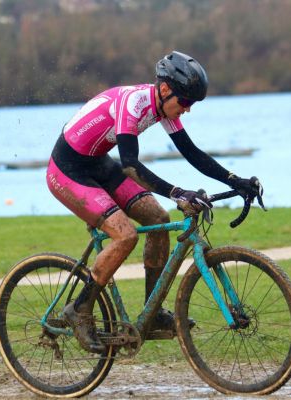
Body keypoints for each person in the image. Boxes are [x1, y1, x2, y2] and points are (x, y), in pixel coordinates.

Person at [46, 50, 262, 353]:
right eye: (185, 102)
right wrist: (178, 192)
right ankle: (79, 309)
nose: (186, 110)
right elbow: (130, 165)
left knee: (159, 222)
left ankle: (154, 313)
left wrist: (234, 180)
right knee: (125, 235)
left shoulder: (163, 109)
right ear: (164, 89)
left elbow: (192, 153)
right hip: (68, 170)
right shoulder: (132, 104)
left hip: (97, 164)